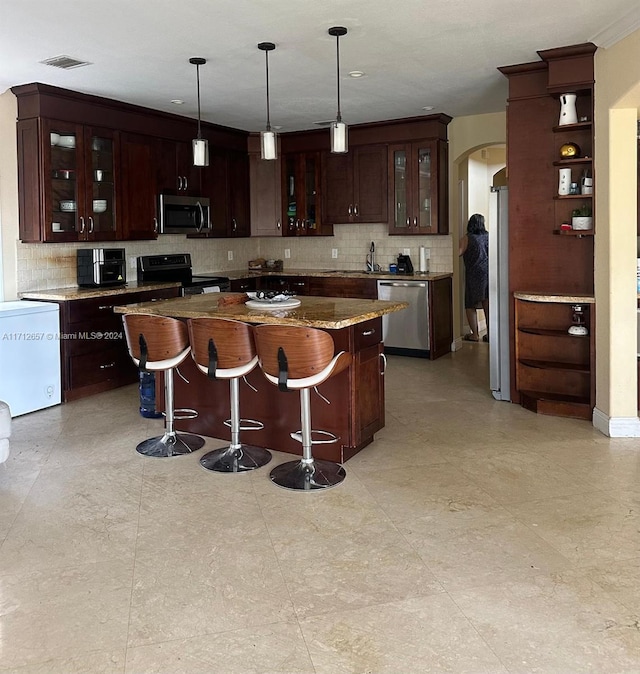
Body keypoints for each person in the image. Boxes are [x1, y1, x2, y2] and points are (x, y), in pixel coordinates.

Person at [459, 213, 489, 342]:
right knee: (487, 303)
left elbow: (458, 252)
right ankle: (490, 333)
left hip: (474, 274)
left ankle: (475, 334)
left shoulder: (467, 238)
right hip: (488, 273)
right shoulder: (488, 236)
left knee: (470, 304)